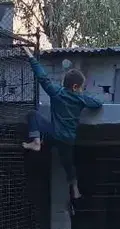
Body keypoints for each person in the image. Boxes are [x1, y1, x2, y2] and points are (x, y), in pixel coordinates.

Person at [22, 47, 103, 200]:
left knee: (32, 114)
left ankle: (36, 141)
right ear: (76, 87)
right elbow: (97, 104)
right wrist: (83, 96)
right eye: (81, 87)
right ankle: (75, 189)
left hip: (54, 134)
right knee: (68, 165)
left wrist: (31, 57)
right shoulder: (80, 98)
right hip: (68, 140)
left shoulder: (56, 93)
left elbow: (43, 77)